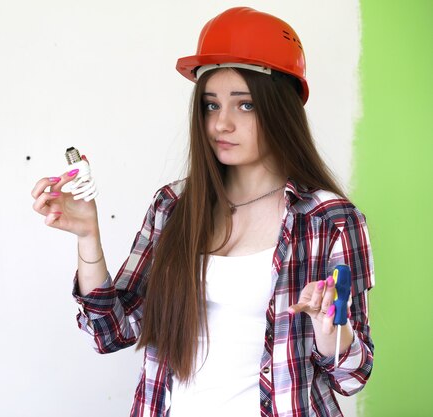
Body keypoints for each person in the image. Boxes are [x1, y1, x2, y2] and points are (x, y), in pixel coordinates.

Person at [31, 6, 374, 417]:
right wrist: (88, 236)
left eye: (244, 105)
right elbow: (113, 331)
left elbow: (352, 377)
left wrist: (330, 330)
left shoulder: (328, 220)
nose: (221, 124)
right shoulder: (173, 207)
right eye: (211, 105)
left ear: (281, 109)